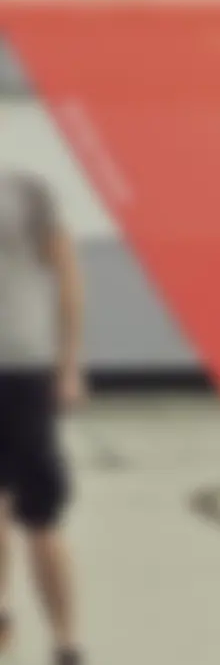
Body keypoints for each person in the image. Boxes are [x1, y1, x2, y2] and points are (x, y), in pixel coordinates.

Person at [0, 169, 85, 665]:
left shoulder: (30, 193)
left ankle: (65, 641)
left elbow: (68, 275)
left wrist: (68, 363)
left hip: (24, 371)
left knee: (40, 515)